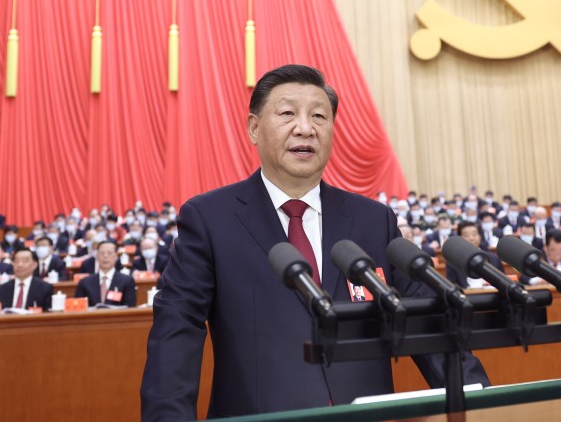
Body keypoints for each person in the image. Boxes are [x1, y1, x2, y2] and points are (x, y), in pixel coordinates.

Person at [141, 65, 488, 420]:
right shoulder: (210, 219)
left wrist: (483, 404)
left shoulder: (373, 220)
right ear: (254, 129)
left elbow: (428, 323)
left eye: (319, 116)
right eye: (288, 113)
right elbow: (176, 331)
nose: (305, 128)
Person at [75, 240, 136, 307]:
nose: (105, 256)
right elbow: (79, 308)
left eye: (109, 253)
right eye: (102, 253)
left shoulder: (127, 281)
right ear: (97, 256)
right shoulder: (85, 282)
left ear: (116, 256)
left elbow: (130, 308)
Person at [444, 221, 501, 288]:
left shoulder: (494, 258)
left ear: (480, 236)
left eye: (474, 234)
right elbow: (452, 285)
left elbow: (501, 283)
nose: (471, 238)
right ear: (460, 238)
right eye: (466, 235)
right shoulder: (452, 262)